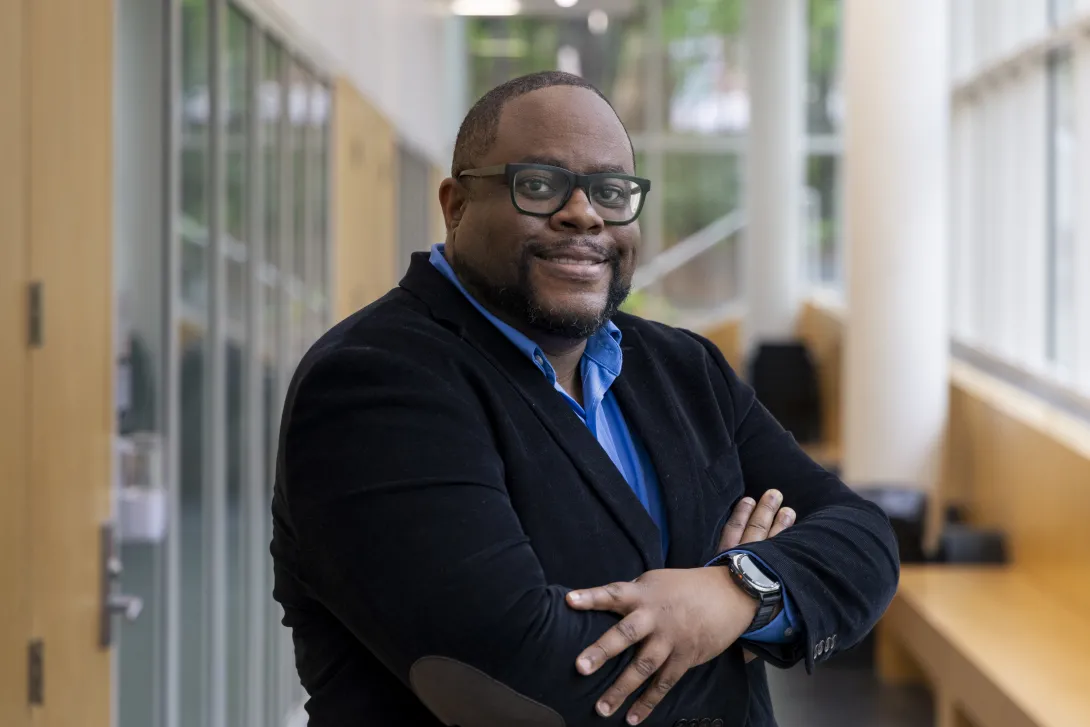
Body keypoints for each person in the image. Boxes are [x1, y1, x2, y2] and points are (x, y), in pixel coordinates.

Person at [271, 71, 899, 726]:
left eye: (610, 190)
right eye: (539, 184)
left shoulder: (686, 368)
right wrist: (735, 629)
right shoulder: (374, 385)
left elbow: (864, 540)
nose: (584, 212)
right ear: (455, 204)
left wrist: (732, 592)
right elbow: (518, 681)